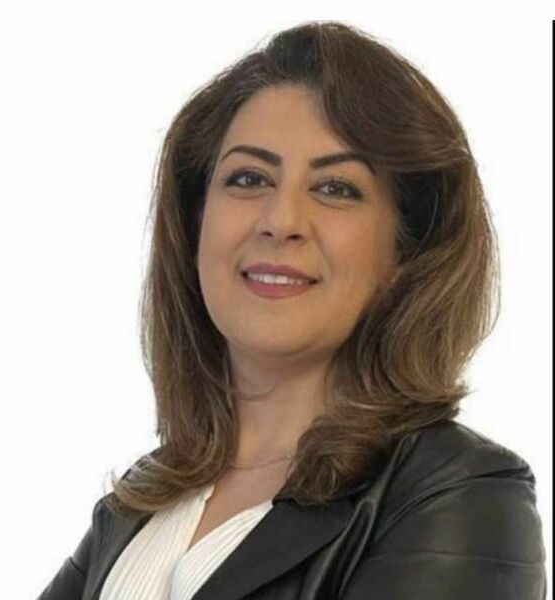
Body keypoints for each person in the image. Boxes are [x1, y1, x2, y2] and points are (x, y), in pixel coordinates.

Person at [37, 20, 547, 600]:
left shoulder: (459, 494)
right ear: (196, 224)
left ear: (406, 251)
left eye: (335, 188)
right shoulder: (141, 500)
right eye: (248, 178)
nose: (280, 221)